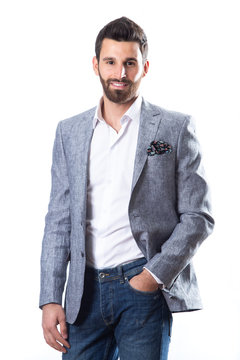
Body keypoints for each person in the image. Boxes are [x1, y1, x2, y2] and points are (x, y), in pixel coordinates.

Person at [40, 17, 214, 360]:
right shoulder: (69, 132)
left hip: (142, 287)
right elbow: (59, 220)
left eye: (129, 63)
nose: (120, 72)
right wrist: (50, 296)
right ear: (96, 65)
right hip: (83, 294)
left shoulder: (174, 128)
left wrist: (153, 276)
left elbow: (198, 216)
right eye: (111, 62)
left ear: (144, 67)